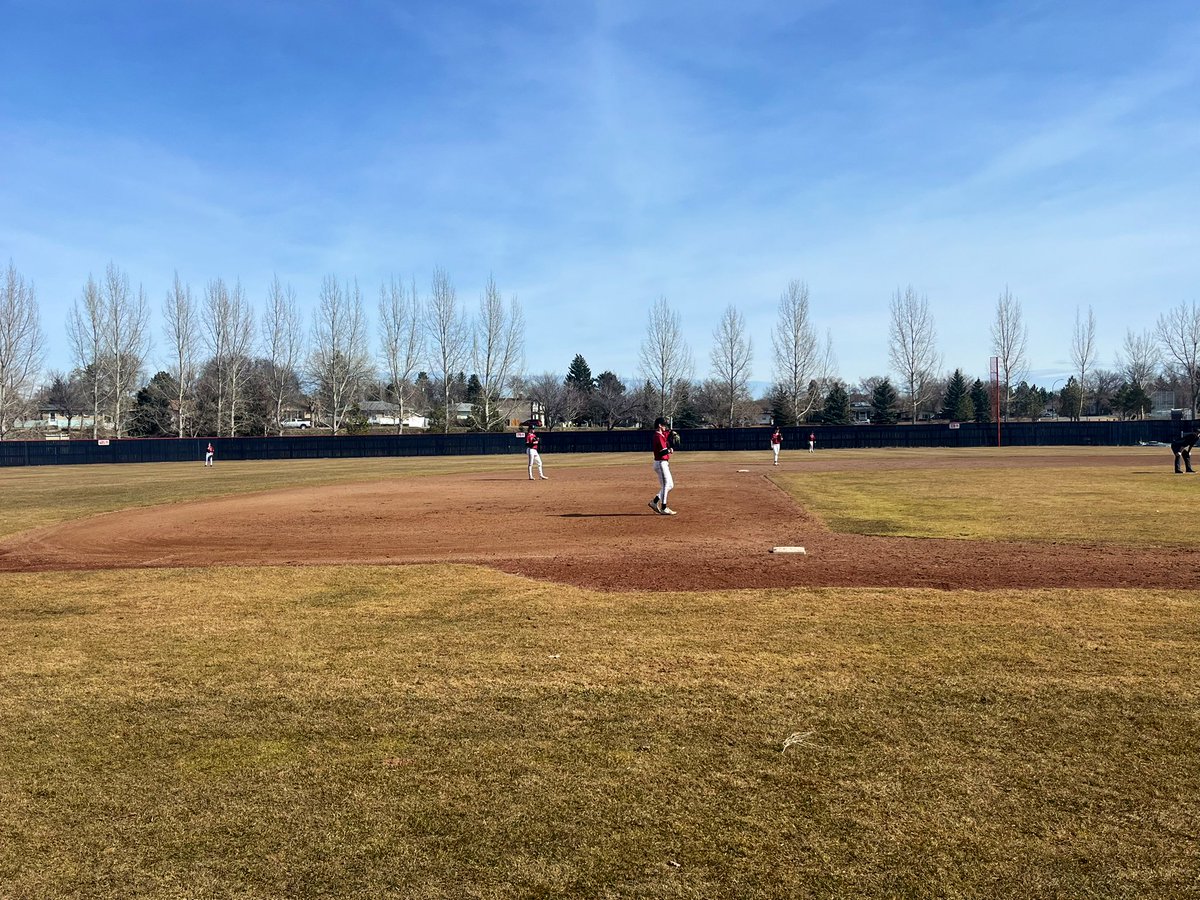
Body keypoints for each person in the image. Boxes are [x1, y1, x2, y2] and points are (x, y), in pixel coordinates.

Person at [648, 417, 677, 515]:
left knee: (670, 485)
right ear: (660, 425)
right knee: (666, 485)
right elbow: (662, 452)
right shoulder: (658, 436)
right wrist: (669, 450)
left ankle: (654, 502)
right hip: (660, 463)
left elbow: (666, 434)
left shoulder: (661, 434)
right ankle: (664, 507)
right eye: (664, 425)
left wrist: (671, 432)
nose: (665, 427)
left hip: (663, 463)